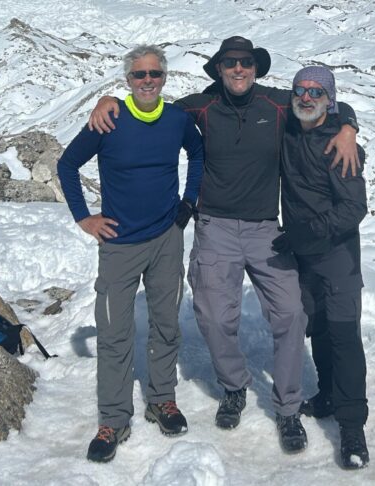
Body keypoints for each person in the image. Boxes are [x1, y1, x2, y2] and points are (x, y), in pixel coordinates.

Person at [88, 36, 360, 454]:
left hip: (267, 228)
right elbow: (149, 107)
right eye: (230, 62)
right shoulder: (200, 106)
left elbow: (322, 100)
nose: (238, 68)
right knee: (213, 317)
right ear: (218, 68)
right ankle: (234, 386)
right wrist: (110, 98)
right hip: (214, 226)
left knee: (291, 313)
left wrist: (347, 127)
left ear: (256, 68)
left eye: (246, 62)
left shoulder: (278, 104)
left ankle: (287, 407)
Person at [57, 44, 204, 463]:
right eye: (139, 75)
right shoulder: (110, 119)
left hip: (165, 239)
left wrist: (189, 201)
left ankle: (162, 400)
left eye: (154, 74)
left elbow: (197, 153)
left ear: (164, 78)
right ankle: (114, 419)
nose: (147, 81)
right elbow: (67, 166)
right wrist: (84, 218)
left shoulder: (176, 120)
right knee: (114, 333)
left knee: (165, 324)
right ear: (127, 80)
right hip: (119, 244)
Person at [274, 66, 369, 469]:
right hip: (305, 254)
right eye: (301, 90)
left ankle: (352, 428)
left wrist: (347, 128)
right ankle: (328, 392)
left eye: (317, 92)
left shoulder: (338, 145)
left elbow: (354, 207)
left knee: (345, 334)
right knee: (319, 327)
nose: (307, 97)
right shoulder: (290, 127)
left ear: (329, 99)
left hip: (337, 255)